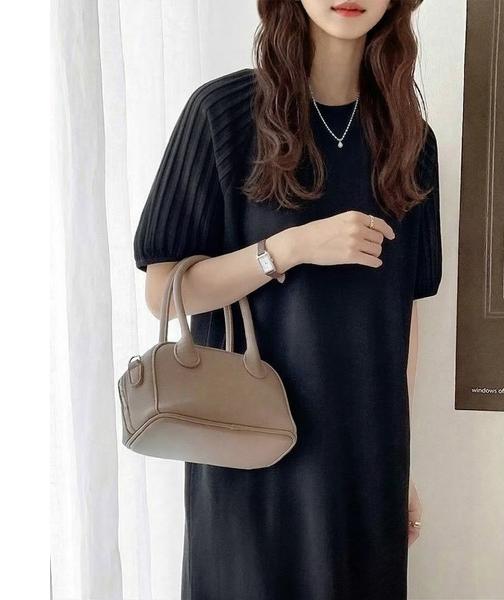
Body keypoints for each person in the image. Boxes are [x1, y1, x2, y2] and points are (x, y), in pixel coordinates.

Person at [133, 0, 442, 598]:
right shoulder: (223, 114)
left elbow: (403, 319)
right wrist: (288, 248)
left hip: (364, 463)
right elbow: (163, 291)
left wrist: (399, 468)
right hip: (251, 456)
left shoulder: (411, 141)